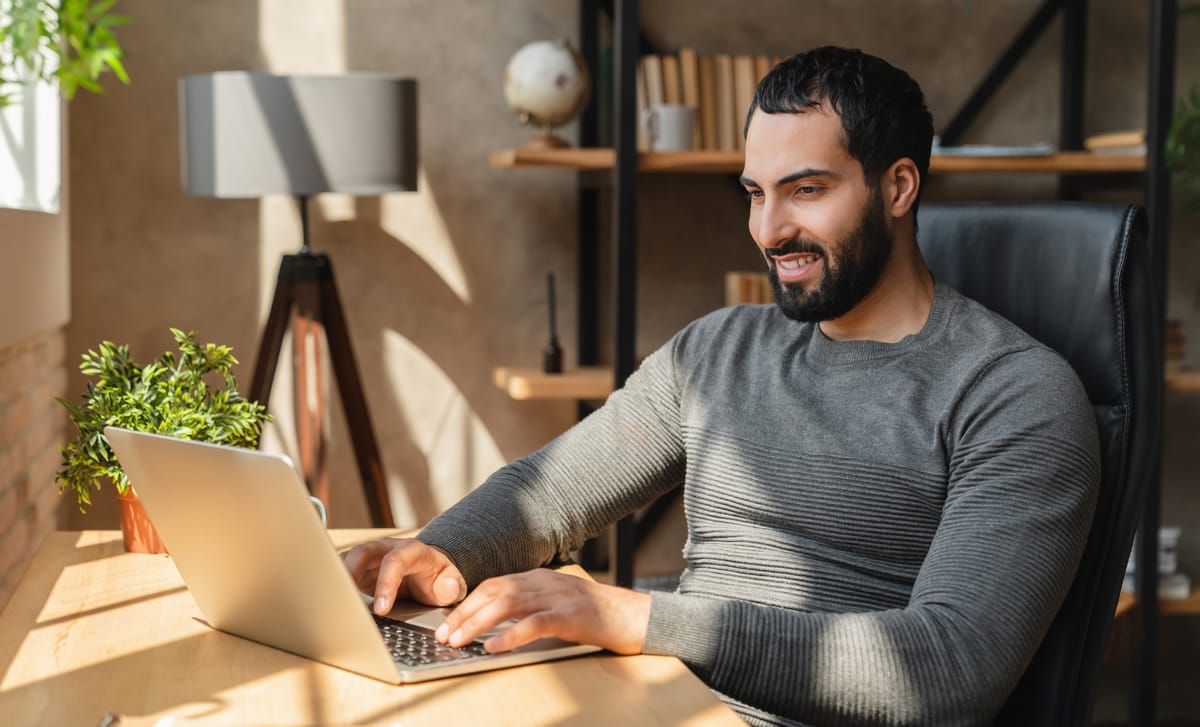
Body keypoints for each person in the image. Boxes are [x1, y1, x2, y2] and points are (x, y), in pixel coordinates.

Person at [343, 46, 1100, 726]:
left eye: (805, 190)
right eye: (754, 192)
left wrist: (639, 619)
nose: (769, 230)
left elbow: (946, 668)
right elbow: (553, 491)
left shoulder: (1015, 394)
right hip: (660, 702)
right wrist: (437, 552)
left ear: (898, 186)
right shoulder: (720, 348)